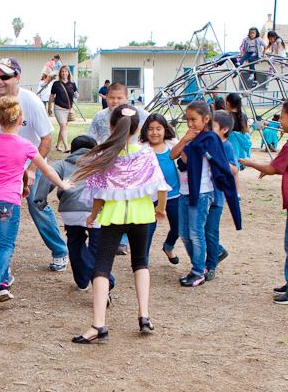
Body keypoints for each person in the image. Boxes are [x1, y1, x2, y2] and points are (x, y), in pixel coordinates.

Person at [71, 105, 169, 343]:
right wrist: (160, 209)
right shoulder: (146, 154)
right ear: (138, 128)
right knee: (140, 263)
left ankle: (99, 325)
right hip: (142, 214)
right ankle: (144, 316)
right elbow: (160, 185)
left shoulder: (106, 156)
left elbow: (98, 194)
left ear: (112, 126)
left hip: (113, 216)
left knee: (101, 268)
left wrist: (94, 215)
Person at [0, 96, 72, 316]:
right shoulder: (26, 145)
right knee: (7, 246)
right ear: (20, 120)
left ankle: (4, 283)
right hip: (9, 202)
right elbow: (47, 171)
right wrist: (64, 184)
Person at [0, 57, 70, 272]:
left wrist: (31, 170)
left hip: (29, 161)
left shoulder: (30, 101)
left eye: (5, 77)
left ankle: (59, 250)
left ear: (17, 78)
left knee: (36, 205)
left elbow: (46, 138)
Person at [240, 98, 288, 304]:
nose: (279, 120)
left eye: (282, 117)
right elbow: (282, 166)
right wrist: (268, 169)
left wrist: (250, 163)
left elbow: (275, 168)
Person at [34, 135, 117, 296]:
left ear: (72, 150)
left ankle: (81, 280)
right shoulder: (101, 165)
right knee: (97, 248)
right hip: (96, 208)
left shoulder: (62, 164)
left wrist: (40, 201)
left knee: (75, 243)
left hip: (70, 210)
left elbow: (47, 178)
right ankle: (105, 280)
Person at [170, 101, 241, 287]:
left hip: (202, 192)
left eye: (194, 119)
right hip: (185, 191)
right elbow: (174, 155)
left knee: (196, 232)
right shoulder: (190, 138)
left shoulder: (210, 139)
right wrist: (185, 140)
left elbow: (221, 165)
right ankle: (199, 266)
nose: (190, 123)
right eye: (188, 120)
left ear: (206, 118)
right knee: (184, 233)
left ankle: (199, 271)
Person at [88, 81, 149, 255]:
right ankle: (110, 234)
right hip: (108, 163)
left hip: (131, 163)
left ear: (127, 98)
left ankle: (123, 239)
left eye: (119, 98)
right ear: (106, 97)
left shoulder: (141, 115)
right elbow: (91, 138)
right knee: (110, 197)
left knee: (127, 198)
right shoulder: (100, 116)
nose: (115, 101)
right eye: (111, 98)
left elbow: (152, 130)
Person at [139, 114, 181, 265]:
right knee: (148, 230)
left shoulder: (172, 144)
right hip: (150, 198)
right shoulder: (141, 148)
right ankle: (143, 262)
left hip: (174, 195)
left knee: (178, 227)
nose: (154, 132)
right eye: (150, 129)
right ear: (145, 131)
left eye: (158, 128)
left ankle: (168, 246)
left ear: (165, 130)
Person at [205, 111, 239, 281]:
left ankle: (211, 265)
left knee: (210, 230)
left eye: (213, 126)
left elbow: (234, 169)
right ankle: (217, 251)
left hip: (216, 196)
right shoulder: (205, 142)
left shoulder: (227, 147)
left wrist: (218, 160)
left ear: (224, 130)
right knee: (199, 230)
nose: (208, 129)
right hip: (201, 193)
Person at [48, 65, 78, 153]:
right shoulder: (56, 84)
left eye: (66, 71)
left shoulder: (72, 83)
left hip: (68, 109)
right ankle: (66, 146)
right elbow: (51, 96)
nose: (64, 73)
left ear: (68, 73)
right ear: (60, 73)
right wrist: (49, 107)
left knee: (63, 127)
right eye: (62, 71)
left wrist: (77, 95)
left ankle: (57, 145)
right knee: (63, 126)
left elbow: (76, 93)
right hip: (59, 108)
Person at [225, 93, 252, 166]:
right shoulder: (244, 116)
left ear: (228, 103)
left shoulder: (226, 117)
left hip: (229, 150)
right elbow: (247, 133)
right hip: (241, 152)